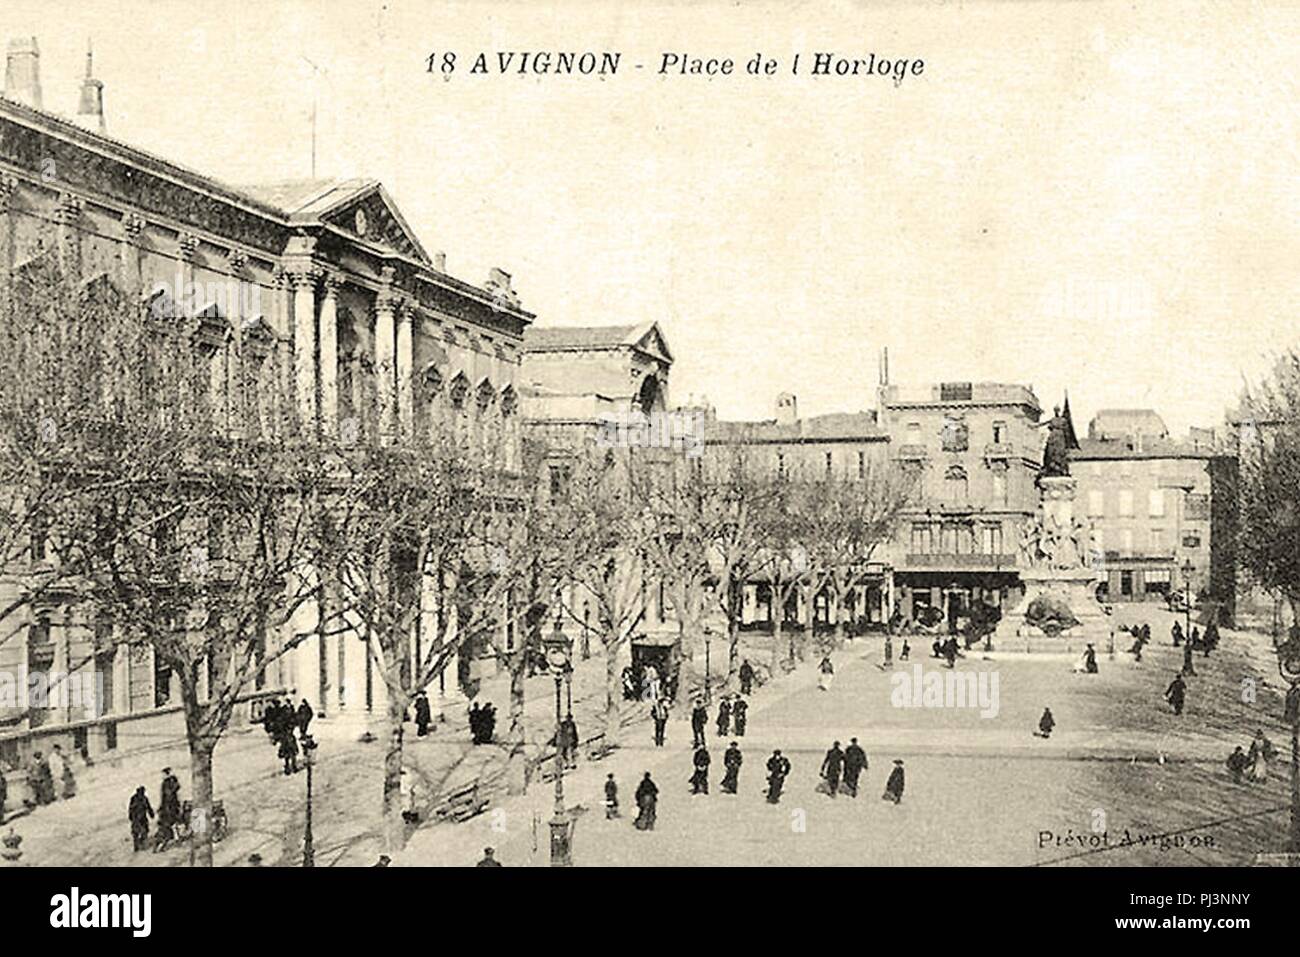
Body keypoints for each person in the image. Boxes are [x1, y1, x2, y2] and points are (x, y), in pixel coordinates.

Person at [156, 768, 181, 850]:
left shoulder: (167, 783)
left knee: (170, 822)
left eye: (163, 774)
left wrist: (164, 806)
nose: (162, 776)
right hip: (170, 805)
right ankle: (176, 837)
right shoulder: (171, 781)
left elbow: (167, 795)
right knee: (172, 822)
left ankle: (174, 838)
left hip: (169, 806)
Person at [128, 786, 154, 852]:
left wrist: (151, 814)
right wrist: (131, 816)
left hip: (142, 818)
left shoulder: (144, 798)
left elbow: (148, 807)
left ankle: (141, 844)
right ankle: (137, 846)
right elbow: (131, 808)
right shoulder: (134, 799)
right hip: (137, 818)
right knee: (136, 833)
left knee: (143, 831)